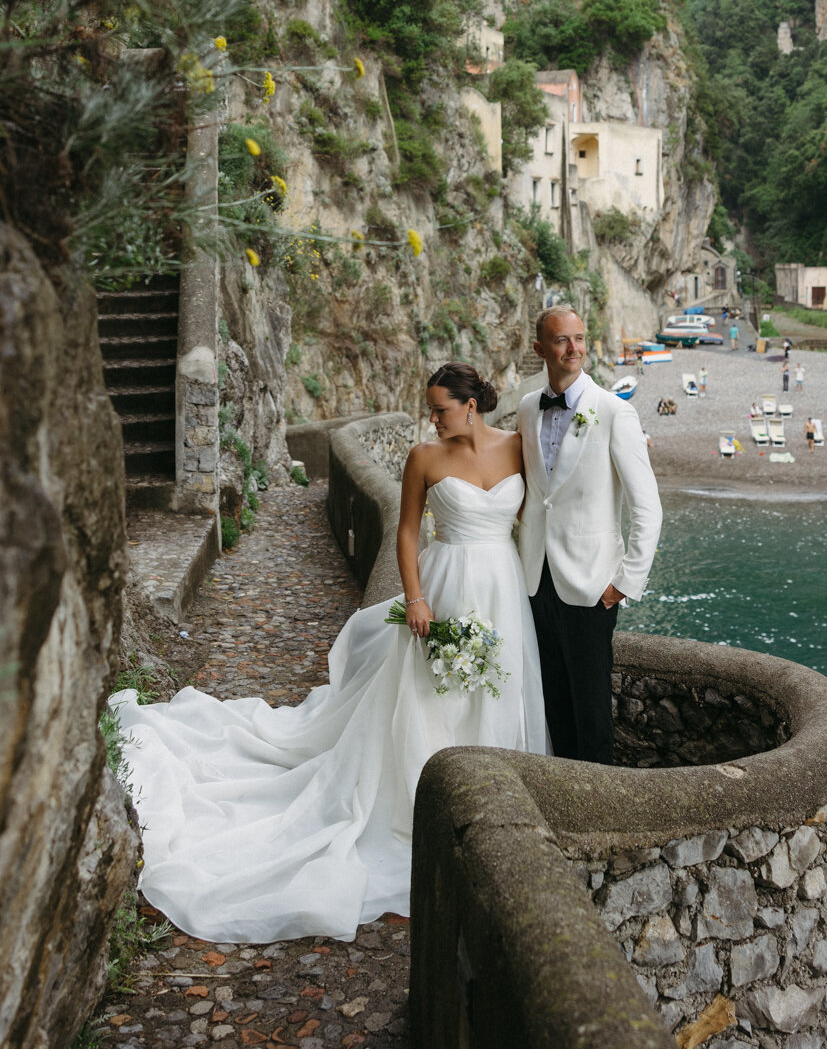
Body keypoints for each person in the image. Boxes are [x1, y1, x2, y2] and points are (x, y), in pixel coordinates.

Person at [110, 363, 547, 943]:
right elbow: (408, 533)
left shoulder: (519, 447)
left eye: (440, 409)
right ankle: (422, 801)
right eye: (430, 410)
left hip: (503, 589)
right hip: (445, 586)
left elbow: (542, 513)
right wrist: (414, 598)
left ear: (471, 406)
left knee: (496, 687)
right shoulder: (425, 457)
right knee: (430, 695)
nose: (433, 419)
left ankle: (493, 804)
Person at [518, 305, 662, 764]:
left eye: (579, 338)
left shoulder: (615, 412)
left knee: (592, 709)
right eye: (561, 340)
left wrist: (624, 583)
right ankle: (561, 795)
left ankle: (599, 808)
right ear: (540, 348)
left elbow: (647, 507)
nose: (573, 349)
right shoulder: (525, 410)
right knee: (552, 701)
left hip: (591, 585)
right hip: (535, 581)